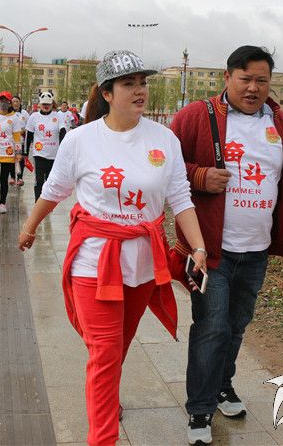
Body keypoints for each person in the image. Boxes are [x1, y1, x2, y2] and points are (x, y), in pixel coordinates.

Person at [18, 50, 207, 446]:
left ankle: (105, 398)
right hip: (94, 262)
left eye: (143, 83)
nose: (140, 91)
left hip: (141, 264)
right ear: (106, 93)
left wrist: (199, 248)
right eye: (128, 84)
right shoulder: (81, 140)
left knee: (116, 348)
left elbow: (180, 197)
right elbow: (54, 190)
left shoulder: (164, 139)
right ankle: (102, 437)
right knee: (104, 354)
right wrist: (30, 226)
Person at [170, 46, 283, 444]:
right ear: (227, 77)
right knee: (212, 327)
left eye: (262, 81)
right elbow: (161, 164)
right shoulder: (197, 117)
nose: (253, 88)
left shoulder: (282, 125)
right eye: (245, 79)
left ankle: (222, 386)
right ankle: (200, 409)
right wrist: (198, 176)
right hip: (208, 251)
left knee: (235, 326)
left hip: (255, 251)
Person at [24, 91, 67, 201]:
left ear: (52, 104)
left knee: (50, 182)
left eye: (48, 104)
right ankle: (37, 203)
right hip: (39, 154)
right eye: (44, 104)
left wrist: (63, 150)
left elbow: (63, 132)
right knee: (38, 181)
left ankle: (47, 204)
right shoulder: (34, 117)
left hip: (53, 155)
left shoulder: (57, 116)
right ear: (40, 104)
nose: (46, 106)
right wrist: (25, 153)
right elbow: (29, 136)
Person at [9, 95, 31, 187]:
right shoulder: (8, 112)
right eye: (13, 102)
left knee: (20, 158)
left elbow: (29, 125)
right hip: (10, 140)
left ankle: (20, 177)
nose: (15, 103)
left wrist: (23, 130)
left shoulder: (24, 113)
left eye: (17, 101)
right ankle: (12, 177)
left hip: (21, 140)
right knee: (11, 158)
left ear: (20, 103)